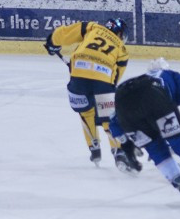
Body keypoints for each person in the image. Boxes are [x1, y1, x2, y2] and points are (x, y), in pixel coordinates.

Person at [109, 58, 180, 203]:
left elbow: (113, 121)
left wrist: (125, 143)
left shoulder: (139, 80)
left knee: (154, 148)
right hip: (154, 98)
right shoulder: (170, 75)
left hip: (124, 104)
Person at [43, 18, 132, 170]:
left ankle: (93, 147)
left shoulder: (92, 27)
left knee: (86, 112)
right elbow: (115, 78)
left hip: (78, 76)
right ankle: (119, 152)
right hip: (103, 81)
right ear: (120, 34)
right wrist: (106, 92)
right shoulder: (122, 50)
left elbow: (65, 34)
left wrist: (52, 41)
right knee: (109, 117)